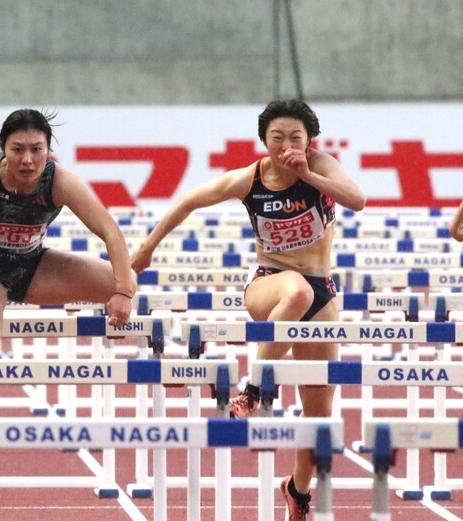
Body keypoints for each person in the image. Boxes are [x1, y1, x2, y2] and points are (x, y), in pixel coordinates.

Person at [131, 99, 365, 521]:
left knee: (319, 416)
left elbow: (358, 200)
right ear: (264, 142)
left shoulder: (321, 165)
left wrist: (308, 174)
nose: (286, 145)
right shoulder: (250, 180)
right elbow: (189, 201)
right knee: (294, 293)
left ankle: (297, 490)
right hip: (269, 286)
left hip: (322, 290)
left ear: (309, 141)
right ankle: (253, 391)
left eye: (296, 137)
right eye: (277, 138)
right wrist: (147, 248)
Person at [0, 108, 137, 418]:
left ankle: (152, 352)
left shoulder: (60, 183)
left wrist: (123, 291)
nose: (27, 160)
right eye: (17, 150)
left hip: (30, 264)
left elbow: (110, 230)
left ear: (48, 150)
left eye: (36, 150)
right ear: (3, 149)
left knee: (123, 280)